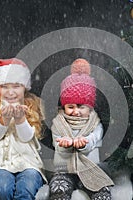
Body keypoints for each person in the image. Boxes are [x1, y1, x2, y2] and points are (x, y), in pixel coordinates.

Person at [0, 58, 47, 200]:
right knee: (3, 188)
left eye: (16, 86)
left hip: (28, 165)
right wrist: (4, 120)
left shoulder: (30, 108)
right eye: (5, 86)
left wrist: (20, 119)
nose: (10, 92)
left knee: (26, 187)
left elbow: (26, 137)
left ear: (25, 87)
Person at [49, 58, 114, 200]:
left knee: (102, 192)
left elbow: (94, 139)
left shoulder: (95, 123)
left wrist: (84, 142)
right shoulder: (58, 123)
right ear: (64, 107)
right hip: (64, 170)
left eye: (81, 107)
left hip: (90, 168)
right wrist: (64, 144)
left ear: (89, 107)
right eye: (70, 107)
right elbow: (57, 145)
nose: (76, 112)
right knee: (58, 189)